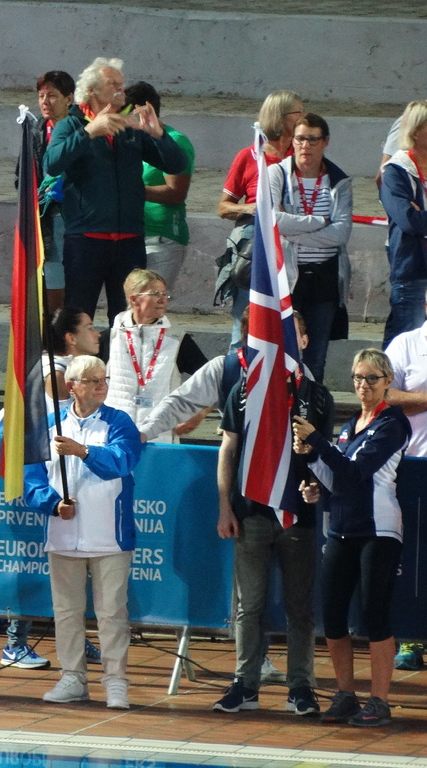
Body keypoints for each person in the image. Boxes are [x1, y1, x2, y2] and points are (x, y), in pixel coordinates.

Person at [213, 314, 333, 717]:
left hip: (298, 516)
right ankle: (245, 684)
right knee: (248, 606)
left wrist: (316, 485)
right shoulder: (245, 389)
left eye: (291, 336)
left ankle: (300, 686)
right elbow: (228, 448)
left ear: (304, 340)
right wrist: (225, 506)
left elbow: (326, 457)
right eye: (275, 335)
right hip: (251, 513)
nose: (282, 344)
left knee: (300, 607)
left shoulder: (317, 395)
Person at [294, 349, 411, 727]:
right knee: (332, 616)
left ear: (387, 381)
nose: (363, 385)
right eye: (358, 378)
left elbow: (356, 473)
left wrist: (317, 441)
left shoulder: (392, 423)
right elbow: (336, 478)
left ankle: (379, 700)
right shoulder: (349, 425)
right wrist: (313, 470)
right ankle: (345, 694)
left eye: (372, 379)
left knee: (374, 615)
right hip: (341, 529)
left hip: (378, 529)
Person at [22, 354, 142, 709]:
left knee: (112, 613)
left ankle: (116, 681)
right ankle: (72, 677)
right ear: (71, 386)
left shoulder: (119, 422)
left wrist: (84, 452)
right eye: (93, 381)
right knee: (67, 612)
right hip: (63, 534)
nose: (101, 386)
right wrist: (52, 504)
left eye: (104, 379)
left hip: (110, 536)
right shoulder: (48, 424)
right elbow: (31, 478)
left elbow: (122, 462)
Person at [43, 57, 186, 326]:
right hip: (86, 239)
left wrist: (158, 135)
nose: (121, 89)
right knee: (79, 315)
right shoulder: (71, 125)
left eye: (121, 83)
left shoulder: (129, 128)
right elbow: (51, 164)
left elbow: (177, 164)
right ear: (92, 91)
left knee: (129, 318)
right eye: (113, 84)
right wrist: (88, 132)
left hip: (129, 240)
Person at [0, 306, 102, 671]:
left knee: (70, 559)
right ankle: (15, 643)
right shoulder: (56, 373)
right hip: (31, 467)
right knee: (36, 560)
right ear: (71, 338)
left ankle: (73, 635)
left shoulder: (71, 369)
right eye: (89, 327)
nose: (97, 334)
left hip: (54, 464)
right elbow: (78, 412)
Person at [268, 113, 352, 383]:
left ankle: (311, 405)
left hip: (324, 277)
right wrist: (318, 222)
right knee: (280, 350)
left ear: (325, 142)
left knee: (316, 356)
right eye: (300, 139)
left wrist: (294, 233)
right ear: (292, 141)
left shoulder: (339, 181)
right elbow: (272, 221)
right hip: (287, 276)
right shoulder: (276, 174)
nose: (305, 146)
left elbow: (340, 233)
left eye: (313, 140)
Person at [216, 89, 302, 350]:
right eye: (298, 113)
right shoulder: (250, 156)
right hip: (256, 249)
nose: (304, 118)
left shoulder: (302, 157)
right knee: (246, 323)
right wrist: (253, 208)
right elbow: (223, 207)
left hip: (294, 245)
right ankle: (240, 371)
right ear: (280, 116)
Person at [106, 268, 206, 442]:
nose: (162, 299)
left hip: (161, 439)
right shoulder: (111, 337)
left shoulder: (177, 339)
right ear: (134, 299)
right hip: (115, 438)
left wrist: (199, 414)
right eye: (154, 294)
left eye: (164, 294)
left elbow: (213, 380)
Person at [384, 299, 427, 670]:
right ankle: (411, 638)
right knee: (413, 560)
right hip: (413, 467)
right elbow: (385, 395)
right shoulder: (406, 344)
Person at [123, 81, 193, 292]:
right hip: (131, 235)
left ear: (144, 110)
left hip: (162, 238)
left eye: (125, 113)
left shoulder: (175, 141)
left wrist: (129, 190)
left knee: (150, 300)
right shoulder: (130, 141)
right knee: (130, 304)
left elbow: (176, 193)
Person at [379, 101, 427, 349]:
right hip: (412, 271)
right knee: (405, 346)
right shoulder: (395, 171)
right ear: (416, 132)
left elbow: (418, 219)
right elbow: (408, 220)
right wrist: (417, 217)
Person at [31, 70, 75, 312]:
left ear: (69, 99)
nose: (45, 102)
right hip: (44, 217)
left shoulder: (82, 129)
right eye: (41, 96)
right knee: (50, 276)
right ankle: (52, 328)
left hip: (74, 215)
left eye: (52, 96)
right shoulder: (35, 131)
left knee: (72, 282)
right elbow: (22, 177)